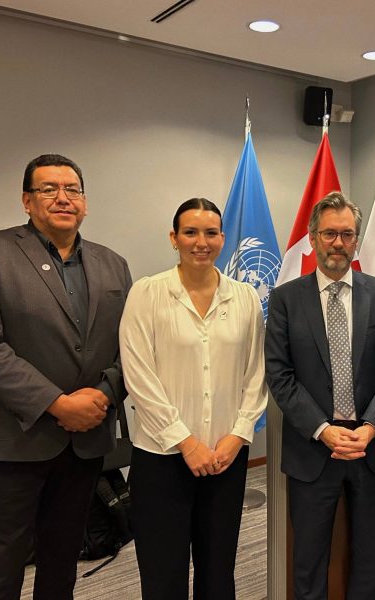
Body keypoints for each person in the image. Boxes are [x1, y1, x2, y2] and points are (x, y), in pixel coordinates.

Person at [0, 154, 132, 600]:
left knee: (62, 558)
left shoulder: (114, 264)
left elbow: (133, 347)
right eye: (49, 189)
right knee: (1, 564)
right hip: (13, 438)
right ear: (27, 202)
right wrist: (58, 403)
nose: (62, 197)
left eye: (72, 189)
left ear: (85, 203)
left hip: (85, 440)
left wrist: (106, 395)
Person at [265, 191, 375, 600]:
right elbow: (279, 375)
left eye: (347, 234)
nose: (338, 243)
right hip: (314, 448)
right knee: (308, 559)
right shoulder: (286, 299)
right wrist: (323, 429)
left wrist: (371, 427)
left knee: (368, 556)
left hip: (371, 449)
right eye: (329, 233)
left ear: (357, 240)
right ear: (312, 239)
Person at [119, 197, 267, 600]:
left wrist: (238, 435)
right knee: (163, 574)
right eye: (190, 232)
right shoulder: (146, 293)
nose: (201, 241)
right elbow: (139, 377)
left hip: (225, 457)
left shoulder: (245, 298)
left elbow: (256, 373)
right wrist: (185, 442)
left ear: (222, 238)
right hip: (162, 458)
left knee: (218, 573)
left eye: (211, 232)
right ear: (174, 238)